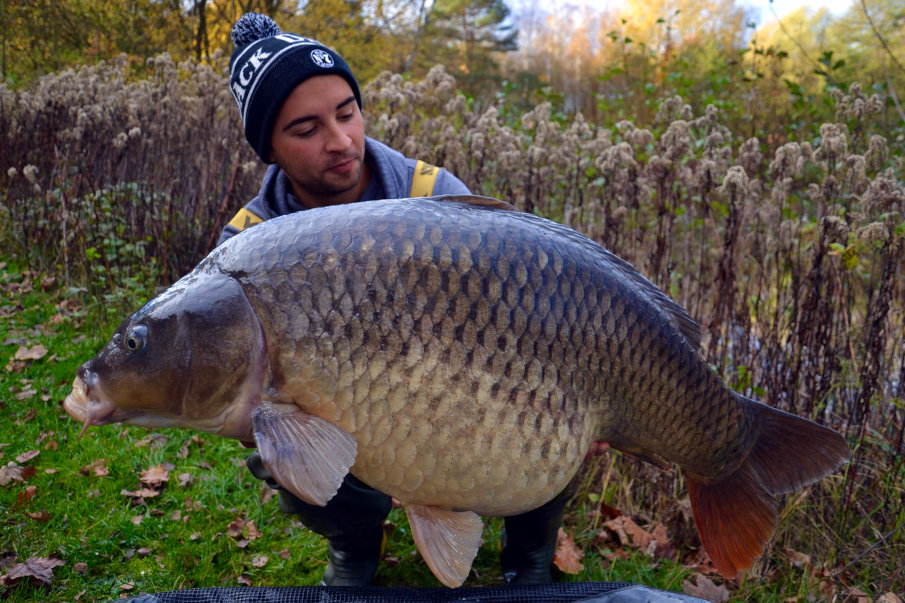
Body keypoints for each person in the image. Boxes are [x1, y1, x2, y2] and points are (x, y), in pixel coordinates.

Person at [220, 12, 571, 588]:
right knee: (276, 442)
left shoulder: (432, 195)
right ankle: (354, 546)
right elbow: (238, 392)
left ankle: (530, 549)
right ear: (271, 148)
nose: (339, 141)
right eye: (306, 130)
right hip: (348, 416)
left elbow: (527, 307)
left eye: (347, 113)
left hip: (467, 392)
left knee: (553, 393)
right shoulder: (248, 239)